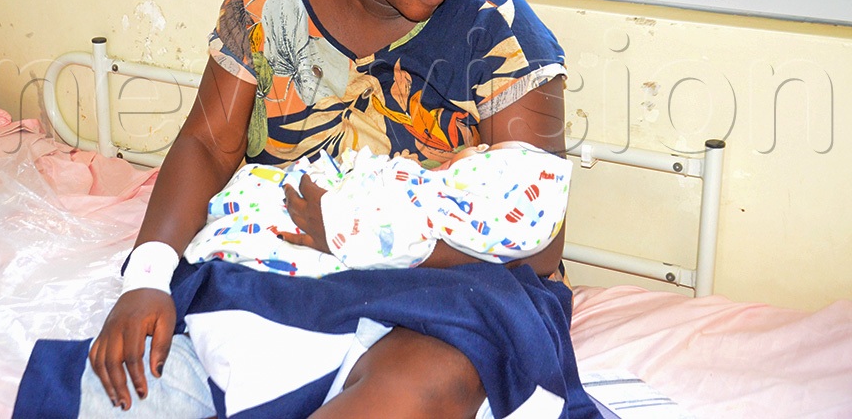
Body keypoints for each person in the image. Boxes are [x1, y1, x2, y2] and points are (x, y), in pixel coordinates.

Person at [83, 0, 582, 416]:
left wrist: (373, 233)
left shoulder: (498, 31)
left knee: (423, 383)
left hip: (447, 287)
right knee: (137, 381)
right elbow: (208, 144)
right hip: (279, 264)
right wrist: (147, 276)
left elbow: (541, 244)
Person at [184, 141, 572, 277]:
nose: (482, 146)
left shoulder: (441, 207)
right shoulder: (428, 184)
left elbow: (395, 240)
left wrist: (334, 224)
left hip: (324, 229)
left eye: (488, 154)